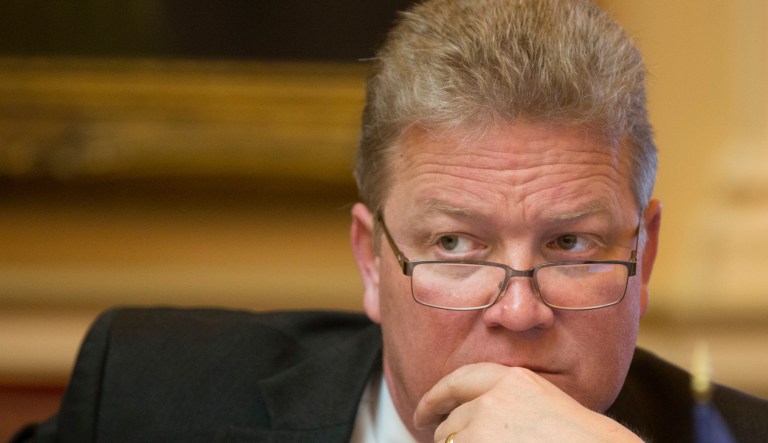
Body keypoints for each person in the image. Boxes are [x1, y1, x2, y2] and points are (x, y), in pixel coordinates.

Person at [13, 0, 768, 442]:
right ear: (373, 261)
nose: (518, 310)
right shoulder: (151, 395)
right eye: (455, 244)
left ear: (646, 256)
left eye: (570, 243)